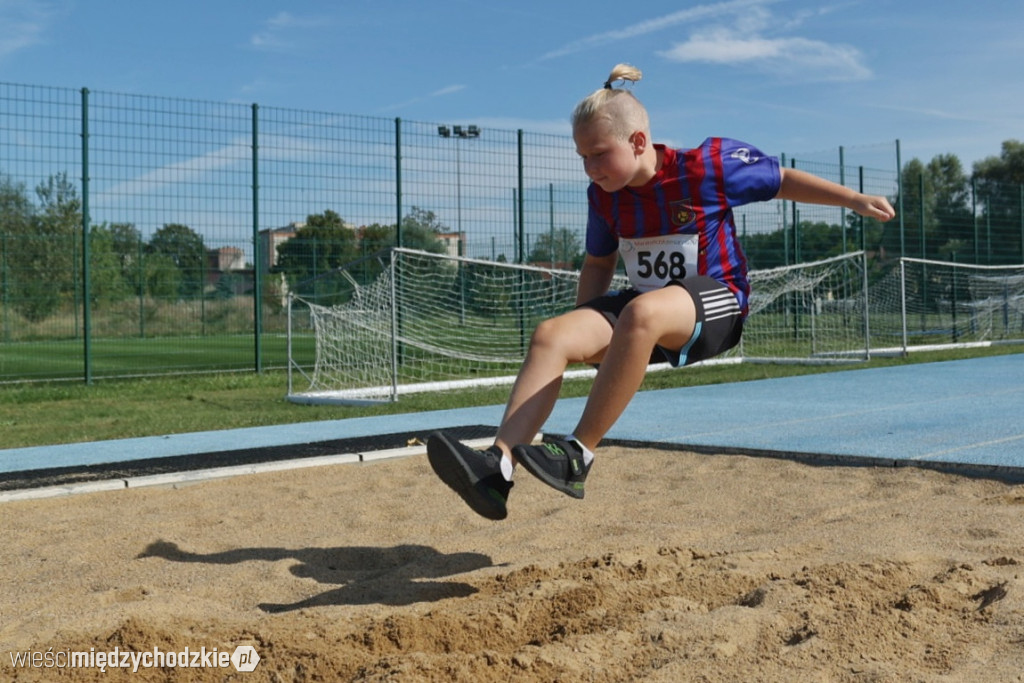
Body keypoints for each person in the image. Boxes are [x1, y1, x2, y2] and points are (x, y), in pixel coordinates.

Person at [427, 64, 896, 521]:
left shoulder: (707, 167)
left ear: (637, 141)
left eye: (598, 153)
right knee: (553, 334)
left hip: (718, 304)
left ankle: (578, 456)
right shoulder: (604, 196)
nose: (590, 168)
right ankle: (498, 467)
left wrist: (853, 200)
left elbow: (782, 180)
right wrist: (588, 333)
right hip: (648, 309)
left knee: (642, 311)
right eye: (582, 157)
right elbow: (597, 262)